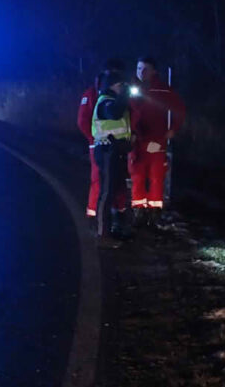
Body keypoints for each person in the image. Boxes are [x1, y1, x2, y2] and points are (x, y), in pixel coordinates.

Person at [129, 56, 185, 228]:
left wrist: (173, 129)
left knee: (156, 177)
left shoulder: (162, 90)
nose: (141, 72)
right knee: (137, 176)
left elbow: (179, 109)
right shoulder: (131, 89)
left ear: (154, 71)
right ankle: (139, 210)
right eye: (139, 68)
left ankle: (154, 214)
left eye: (145, 69)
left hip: (156, 140)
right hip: (136, 140)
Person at [78, 58, 128, 228]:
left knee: (117, 183)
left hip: (117, 147)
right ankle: (96, 220)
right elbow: (83, 121)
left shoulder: (117, 95)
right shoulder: (95, 95)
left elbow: (130, 117)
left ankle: (116, 215)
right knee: (100, 183)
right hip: (102, 145)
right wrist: (94, 140)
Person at [91, 72, 138, 247]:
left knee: (116, 191)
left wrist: (127, 144)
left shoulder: (116, 101)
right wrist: (125, 94)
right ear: (112, 86)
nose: (123, 90)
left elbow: (119, 129)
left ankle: (114, 229)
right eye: (121, 86)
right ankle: (102, 235)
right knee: (106, 193)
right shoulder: (105, 102)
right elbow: (115, 113)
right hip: (106, 152)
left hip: (115, 153)